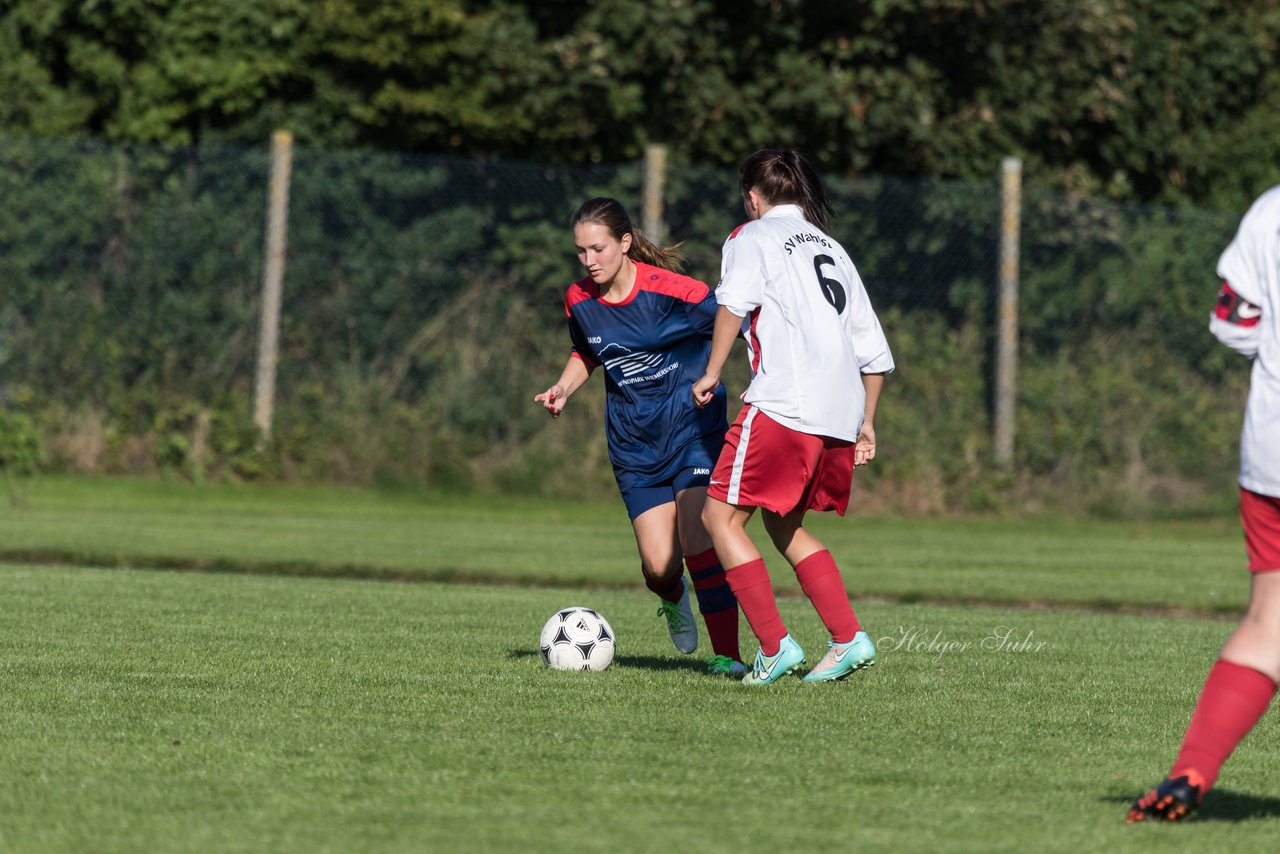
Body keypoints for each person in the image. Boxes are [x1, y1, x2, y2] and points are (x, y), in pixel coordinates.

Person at [691, 149, 894, 686]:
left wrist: (712, 372)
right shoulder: (833, 248)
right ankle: (848, 638)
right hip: (840, 411)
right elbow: (873, 351)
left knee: (719, 518)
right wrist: (867, 422)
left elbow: (732, 304)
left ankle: (775, 646)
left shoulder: (750, 237)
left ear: (753, 197)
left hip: (786, 402)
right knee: (783, 523)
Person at [535, 197, 747, 675]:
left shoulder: (679, 292)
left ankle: (728, 658)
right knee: (658, 566)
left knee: (698, 538)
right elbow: (587, 352)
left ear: (625, 243)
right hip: (634, 443)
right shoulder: (579, 299)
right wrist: (563, 388)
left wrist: (717, 374)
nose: (589, 262)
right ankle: (674, 597)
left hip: (693, 429)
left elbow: (736, 323)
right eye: (581, 252)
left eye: (598, 249)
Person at [1127, 186, 1280, 822]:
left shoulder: (1272, 208)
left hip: (1272, 448)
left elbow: (1233, 321)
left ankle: (1190, 773)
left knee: (1269, 624)